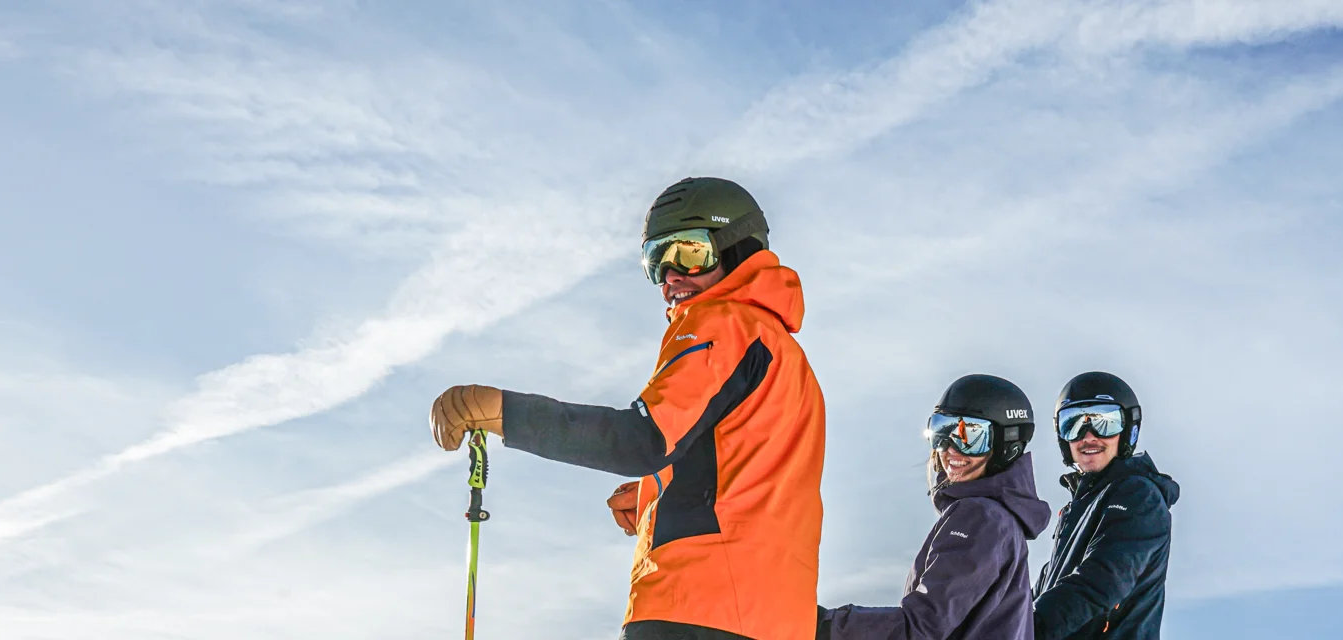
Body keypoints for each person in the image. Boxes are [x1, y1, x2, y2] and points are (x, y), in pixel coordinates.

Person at [428, 177, 826, 640]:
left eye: (690, 253)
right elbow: (747, 470)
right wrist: (658, 494)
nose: (671, 275)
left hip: (697, 607)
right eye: (656, 260)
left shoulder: (721, 321)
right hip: (776, 621)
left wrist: (502, 412)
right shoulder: (784, 355)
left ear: (739, 249)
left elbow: (646, 439)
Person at [819, 374, 1052, 640]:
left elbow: (922, 627)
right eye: (942, 431)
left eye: (970, 435)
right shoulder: (1000, 521)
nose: (950, 449)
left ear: (1006, 445)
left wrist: (822, 625)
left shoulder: (981, 516)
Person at [1033, 372, 1181, 640]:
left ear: (1128, 429)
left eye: (1105, 422)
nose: (1088, 436)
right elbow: (1039, 593)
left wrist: (1029, 630)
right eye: (1073, 424)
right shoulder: (1077, 510)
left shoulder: (1137, 496)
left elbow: (1101, 582)